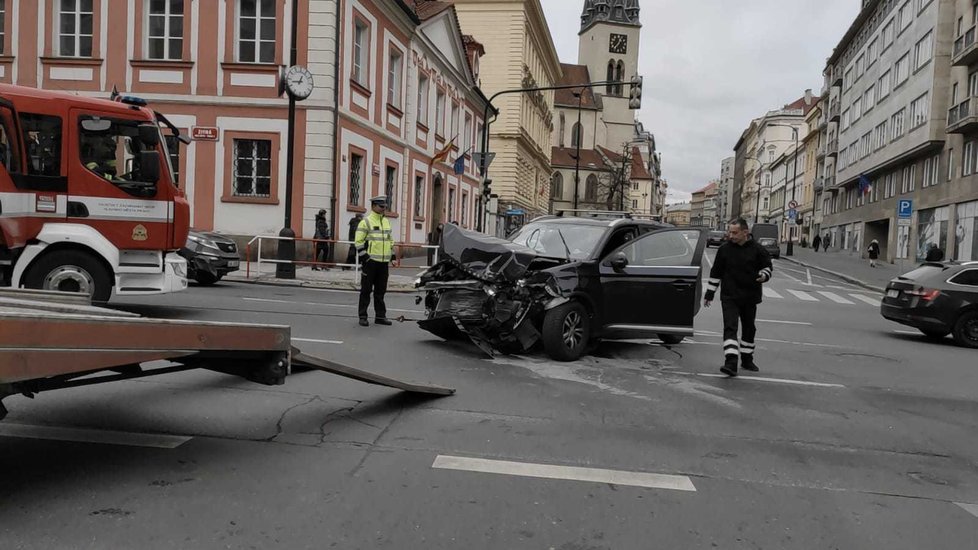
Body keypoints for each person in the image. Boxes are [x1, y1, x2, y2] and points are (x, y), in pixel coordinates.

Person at [704, 218, 773, 377]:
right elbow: (716, 273)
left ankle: (747, 359)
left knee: (749, 328)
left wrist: (764, 275)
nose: (731, 235)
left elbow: (767, 266)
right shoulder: (724, 249)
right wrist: (709, 294)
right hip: (730, 295)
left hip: (750, 296)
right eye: (730, 232)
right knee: (730, 327)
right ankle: (731, 361)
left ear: (745, 232)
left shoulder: (758, 250)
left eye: (734, 232)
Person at [355, 196, 397, 327]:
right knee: (366, 290)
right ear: (373, 206)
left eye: (385, 206)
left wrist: (393, 257)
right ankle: (363, 316)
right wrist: (366, 258)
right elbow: (358, 242)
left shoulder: (386, 222)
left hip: (383, 263)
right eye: (381, 206)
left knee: (380, 292)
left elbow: (390, 241)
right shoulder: (365, 222)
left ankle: (380, 316)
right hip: (371, 262)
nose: (384, 208)